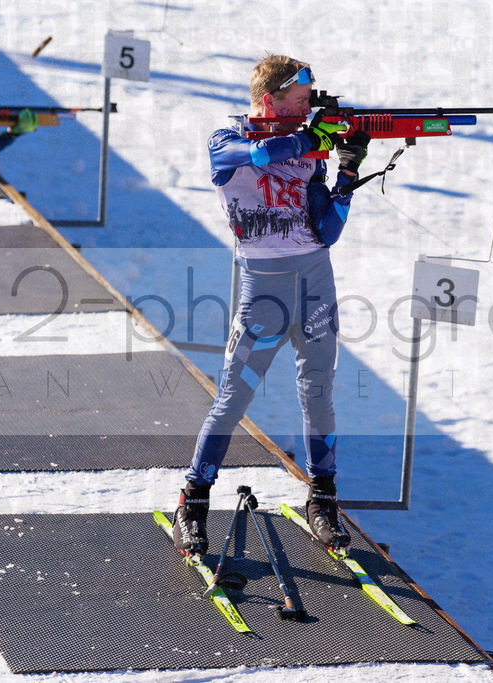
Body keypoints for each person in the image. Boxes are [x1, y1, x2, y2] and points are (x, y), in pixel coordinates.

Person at [172, 54, 371, 558]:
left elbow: (326, 229)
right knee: (235, 396)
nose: (309, 109)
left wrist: (346, 172)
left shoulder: (310, 148)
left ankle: (322, 498)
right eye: (300, 100)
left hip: (315, 282)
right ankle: (192, 501)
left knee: (318, 389)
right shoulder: (226, 142)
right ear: (270, 100)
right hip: (263, 288)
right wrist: (315, 139)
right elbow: (262, 158)